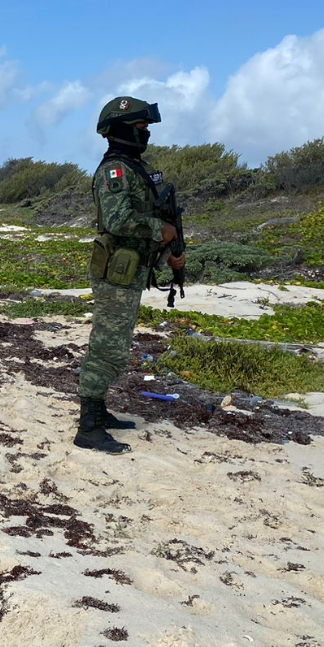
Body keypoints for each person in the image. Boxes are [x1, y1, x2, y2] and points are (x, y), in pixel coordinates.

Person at [75, 97, 186, 454]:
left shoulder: (138, 167)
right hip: (116, 272)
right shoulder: (116, 171)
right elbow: (118, 220)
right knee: (108, 346)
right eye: (141, 128)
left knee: (116, 344)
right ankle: (88, 425)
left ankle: (99, 411)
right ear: (123, 130)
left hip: (130, 269)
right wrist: (161, 231)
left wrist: (171, 245)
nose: (147, 133)